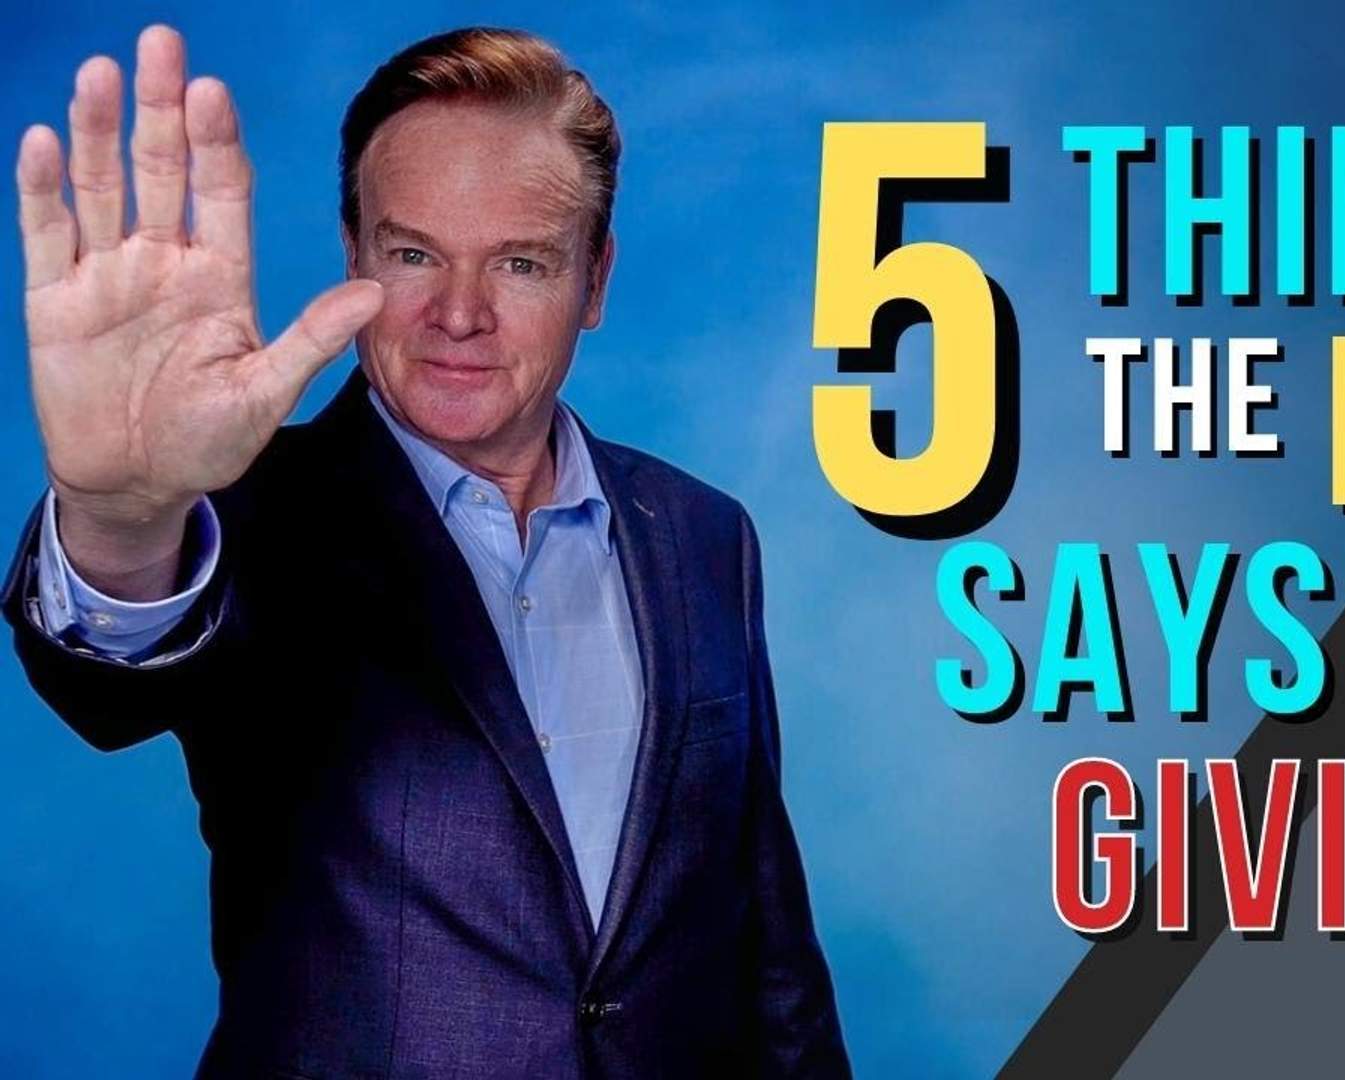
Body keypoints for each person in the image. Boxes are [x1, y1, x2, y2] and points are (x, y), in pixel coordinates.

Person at [4, 24, 850, 1078]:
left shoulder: (705, 535)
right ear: (355, 252)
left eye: (522, 262)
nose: (459, 314)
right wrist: (124, 511)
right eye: (413, 254)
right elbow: (108, 678)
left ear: (595, 282)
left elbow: (767, 939)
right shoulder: (244, 517)